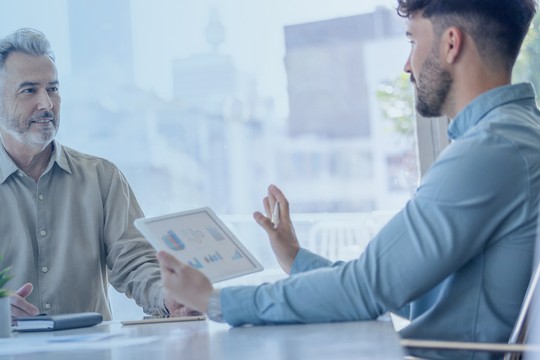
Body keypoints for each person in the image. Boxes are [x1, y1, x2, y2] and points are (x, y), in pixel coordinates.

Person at [157, 0, 540, 358]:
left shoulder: (487, 151)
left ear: (451, 44)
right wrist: (297, 260)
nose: (407, 65)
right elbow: (408, 290)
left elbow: (366, 288)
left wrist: (216, 301)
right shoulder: (513, 137)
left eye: (412, 41)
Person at [0, 28, 189, 321]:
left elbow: (136, 262)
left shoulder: (102, 178)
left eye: (53, 88)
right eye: (29, 90)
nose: (46, 104)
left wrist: (167, 297)